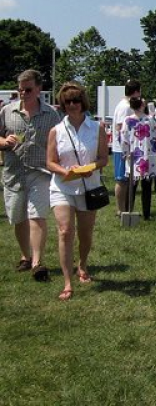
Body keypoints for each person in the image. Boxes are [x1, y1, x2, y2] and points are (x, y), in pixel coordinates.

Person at [45, 82, 109, 300]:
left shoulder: (97, 128)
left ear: (83, 102)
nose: (72, 105)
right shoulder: (56, 131)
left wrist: (91, 168)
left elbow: (103, 159)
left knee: (85, 234)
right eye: (67, 101)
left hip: (88, 187)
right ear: (62, 104)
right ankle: (67, 282)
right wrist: (65, 171)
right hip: (62, 186)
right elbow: (50, 162)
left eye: (76, 100)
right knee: (64, 231)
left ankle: (82, 264)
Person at [0, 70, 61, 281]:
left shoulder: (51, 114)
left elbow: (59, 141)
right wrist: (3, 142)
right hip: (14, 172)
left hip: (40, 172)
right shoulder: (7, 111)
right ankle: (25, 256)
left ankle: (37, 262)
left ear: (38, 89)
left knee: (37, 215)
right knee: (19, 217)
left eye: (28, 89)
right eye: (20, 89)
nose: (23, 93)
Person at [121, 97, 156, 220]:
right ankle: (146, 214)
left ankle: (128, 212)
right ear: (142, 106)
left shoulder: (127, 121)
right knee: (146, 187)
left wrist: (125, 152)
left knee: (131, 187)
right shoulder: (149, 120)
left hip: (133, 156)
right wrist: (155, 149)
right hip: (146, 156)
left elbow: (123, 138)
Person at [112, 79, 141, 216]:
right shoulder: (125, 107)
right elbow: (120, 128)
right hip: (121, 149)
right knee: (121, 180)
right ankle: (120, 209)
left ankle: (126, 208)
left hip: (127, 148)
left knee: (127, 180)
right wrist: (125, 149)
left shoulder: (127, 105)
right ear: (135, 92)